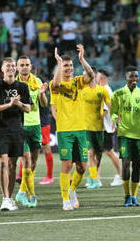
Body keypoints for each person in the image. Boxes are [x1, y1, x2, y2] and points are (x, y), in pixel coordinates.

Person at [50, 44, 94, 210]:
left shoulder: (78, 82)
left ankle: (72, 189)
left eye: (69, 65)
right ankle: (65, 199)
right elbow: (54, 85)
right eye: (65, 66)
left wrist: (82, 59)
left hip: (81, 130)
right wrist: (59, 65)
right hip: (64, 131)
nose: (68, 68)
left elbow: (91, 75)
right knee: (67, 165)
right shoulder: (55, 84)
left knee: (83, 167)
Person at [0, 57, 31, 211]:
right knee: (4, 162)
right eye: (8, 66)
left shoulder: (23, 87)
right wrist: (10, 104)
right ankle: (5, 198)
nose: (11, 68)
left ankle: (10, 198)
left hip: (17, 130)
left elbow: (28, 108)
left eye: (13, 65)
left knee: (13, 165)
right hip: (0, 129)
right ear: (2, 69)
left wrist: (18, 104)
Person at [111, 66, 140, 206]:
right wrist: (116, 118)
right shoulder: (118, 94)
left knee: (136, 165)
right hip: (124, 134)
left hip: (138, 134)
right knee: (126, 163)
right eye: (131, 77)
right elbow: (113, 112)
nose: (134, 79)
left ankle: (134, 196)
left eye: (136, 77)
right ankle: (126, 195)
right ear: (126, 78)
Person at [15, 55, 48, 207]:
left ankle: (21, 192)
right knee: (26, 161)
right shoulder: (13, 84)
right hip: (20, 126)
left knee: (34, 162)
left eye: (27, 64)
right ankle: (31, 196)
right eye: (21, 65)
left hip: (35, 126)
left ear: (31, 66)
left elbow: (44, 104)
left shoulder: (37, 81)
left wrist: (42, 94)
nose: (24, 67)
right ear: (17, 67)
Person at [83, 67, 111, 189]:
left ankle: (95, 176)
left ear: (92, 76)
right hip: (86, 127)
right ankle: (93, 178)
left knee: (98, 155)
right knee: (90, 153)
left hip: (99, 128)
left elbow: (110, 106)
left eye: (86, 75)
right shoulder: (81, 90)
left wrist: (116, 118)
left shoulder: (102, 90)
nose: (84, 78)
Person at [96, 69, 122, 187]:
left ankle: (121, 174)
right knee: (97, 153)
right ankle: (96, 178)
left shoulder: (105, 90)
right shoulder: (107, 89)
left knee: (109, 151)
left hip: (105, 127)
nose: (96, 78)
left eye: (97, 76)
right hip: (104, 127)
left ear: (100, 78)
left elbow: (104, 111)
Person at [38, 98, 54, 185]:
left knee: (46, 148)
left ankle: (49, 176)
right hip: (30, 122)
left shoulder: (43, 85)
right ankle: (21, 174)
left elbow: (45, 103)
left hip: (43, 121)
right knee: (27, 148)